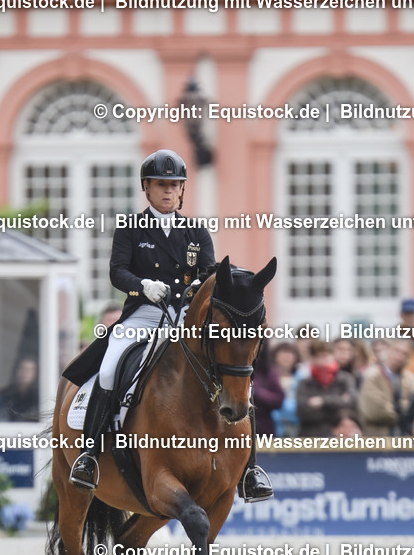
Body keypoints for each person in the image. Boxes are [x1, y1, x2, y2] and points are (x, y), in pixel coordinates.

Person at [65, 148, 274, 502]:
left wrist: (197, 289)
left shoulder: (196, 232)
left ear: (182, 191)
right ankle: (88, 455)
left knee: (237, 381)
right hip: (144, 314)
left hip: (185, 317)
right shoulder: (131, 228)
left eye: (174, 186)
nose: (167, 192)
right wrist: (141, 285)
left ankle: (250, 469)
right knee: (111, 366)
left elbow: (211, 276)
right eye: (160, 185)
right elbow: (117, 272)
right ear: (146, 188)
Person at [296, 340, 358, 437]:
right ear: (312, 359)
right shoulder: (305, 383)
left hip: (340, 439)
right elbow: (302, 412)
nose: (322, 360)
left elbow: (352, 404)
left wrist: (323, 401)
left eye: (325, 355)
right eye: (318, 357)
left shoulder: (345, 379)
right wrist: (338, 403)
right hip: (311, 439)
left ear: (332, 356)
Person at [358, 340, 414, 437]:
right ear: (388, 350)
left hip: (403, 438)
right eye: (397, 351)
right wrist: (403, 408)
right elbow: (375, 411)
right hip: (376, 439)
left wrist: (394, 407)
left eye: (405, 354)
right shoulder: (372, 375)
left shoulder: (410, 378)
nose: (400, 356)